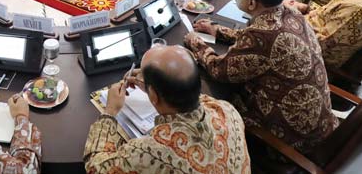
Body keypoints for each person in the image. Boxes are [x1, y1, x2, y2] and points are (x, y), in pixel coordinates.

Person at [185, 0, 337, 156]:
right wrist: (216, 30)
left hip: (287, 140)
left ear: (251, 3)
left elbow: (219, 70)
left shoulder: (262, 35)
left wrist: (195, 42)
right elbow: (255, 39)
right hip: (318, 126)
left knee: (201, 101)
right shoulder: (292, 13)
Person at [84, 45, 250, 173]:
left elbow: (95, 166)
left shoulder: (148, 152)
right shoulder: (227, 110)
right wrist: (155, 84)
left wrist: (110, 112)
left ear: (153, 95)